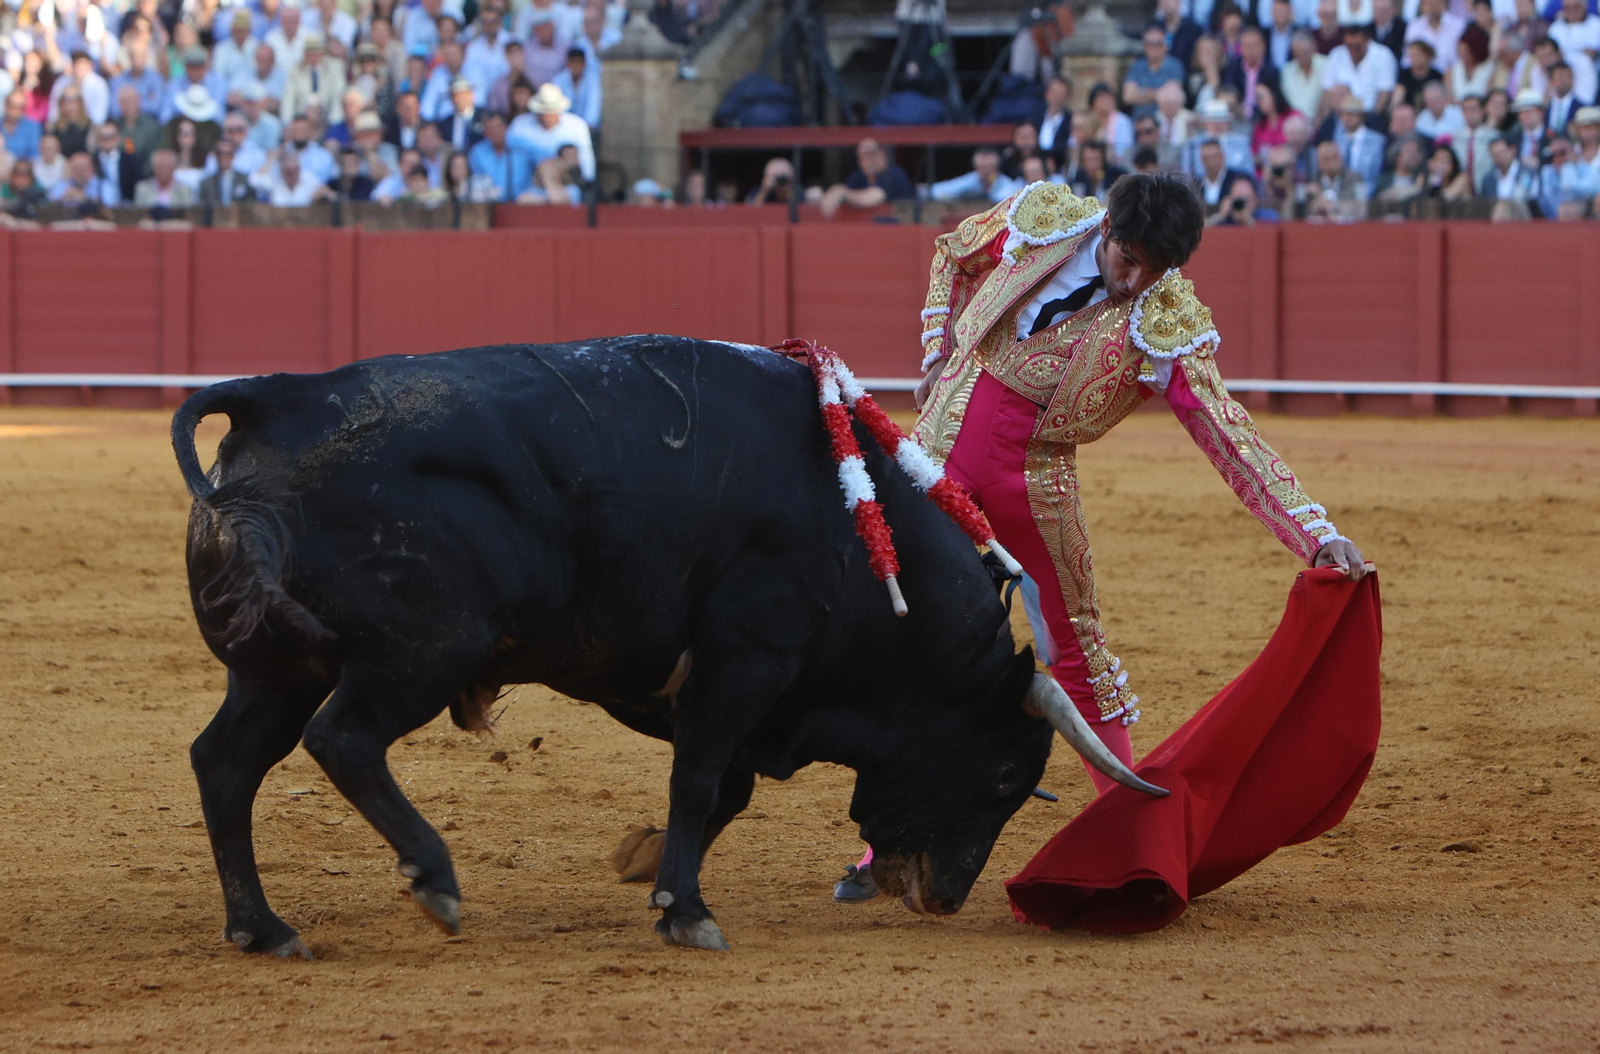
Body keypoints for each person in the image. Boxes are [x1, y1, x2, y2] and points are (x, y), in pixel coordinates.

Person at [837, 173, 1366, 903]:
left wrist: (1315, 533)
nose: (1137, 279)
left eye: (1158, 267)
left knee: (1077, 653)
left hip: (1035, 482)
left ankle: (1128, 844)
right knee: (905, 638)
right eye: (1130, 258)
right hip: (933, 462)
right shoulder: (1043, 217)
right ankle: (886, 847)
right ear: (1107, 227)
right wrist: (936, 350)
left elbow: (1228, 434)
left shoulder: (1165, 317)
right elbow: (952, 255)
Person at [508, 83, 595, 182]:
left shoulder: (577, 126)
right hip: (528, 182)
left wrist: (588, 182)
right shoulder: (519, 125)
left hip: (565, 183)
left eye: (550, 112)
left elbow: (586, 156)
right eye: (542, 112)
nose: (546, 116)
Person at [818, 138, 914, 218]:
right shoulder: (858, 177)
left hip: (901, 230)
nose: (866, 160)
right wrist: (833, 193)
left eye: (871, 154)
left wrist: (844, 193)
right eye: (862, 156)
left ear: (882, 155)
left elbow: (876, 196)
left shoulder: (894, 174)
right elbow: (844, 192)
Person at [1325, 22, 1398, 111]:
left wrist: (1373, 117)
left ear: (1367, 40)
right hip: (1342, 114)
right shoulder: (1336, 54)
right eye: (1349, 46)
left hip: (1371, 113)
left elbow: (1385, 92)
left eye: (1357, 46)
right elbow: (1327, 89)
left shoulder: (1383, 55)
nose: (1353, 50)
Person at [468, 110, 533, 200]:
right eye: (490, 129)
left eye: (498, 127)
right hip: (489, 205)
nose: (495, 132)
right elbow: (477, 181)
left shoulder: (523, 147)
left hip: (521, 204)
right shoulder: (477, 153)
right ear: (484, 132)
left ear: (505, 127)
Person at [1124, 26, 1187, 119]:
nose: (1153, 48)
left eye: (1158, 44)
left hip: (1164, 121)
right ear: (1144, 46)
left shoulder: (1175, 66)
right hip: (1139, 123)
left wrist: (1142, 92)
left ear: (1165, 46)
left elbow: (1172, 99)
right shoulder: (1137, 66)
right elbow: (1128, 97)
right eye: (1149, 44)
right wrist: (1159, 94)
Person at [1222, 26, 1283, 119]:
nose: (1251, 49)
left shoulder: (1272, 71)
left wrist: (1253, 111)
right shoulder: (1233, 68)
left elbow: (1275, 101)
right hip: (1237, 117)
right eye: (1247, 45)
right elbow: (1228, 90)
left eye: (1255, 45)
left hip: (1262, 119)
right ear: (1241, 48)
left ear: (1264, 47)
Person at [1331, 94, 1388, 188]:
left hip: (1367, 191)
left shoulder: (1377, 141)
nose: (1347, 118)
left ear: (1361, 116)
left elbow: (1378, 172)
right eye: (1343, 114)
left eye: (1352, 114)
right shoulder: (1336, 140)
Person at [930, 146, 1023, 202]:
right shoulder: (973, 178)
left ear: (996, 168)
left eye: (989, 168)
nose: (985, 172)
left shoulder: (1006, 184)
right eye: (981, 168)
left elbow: (1005, 199)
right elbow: (937, 190)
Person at [1303, 138, 1369, 215]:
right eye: (1326, 159)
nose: (1331, 162)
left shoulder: (1355, 177)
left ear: (1341, 159)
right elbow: (1307, 208)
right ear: (1319, 162)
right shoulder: (1313, 179)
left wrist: (1323, 197)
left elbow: (1359, 204)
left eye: (1334, 157)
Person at [550, 47, 601, 131]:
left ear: (584, 64)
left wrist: (586, 127)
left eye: (579, 62)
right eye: (573, 62)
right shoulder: (558, 80)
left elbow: (593, 106)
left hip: (588, 127)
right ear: (568, 63)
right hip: (564, 127)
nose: (576, 65)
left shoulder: (593, 79)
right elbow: (556, 107)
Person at [1280, 30, 1328, 117]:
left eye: (1306, 50)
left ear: (1314, 48)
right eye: (1298, 52)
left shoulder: (1326, 65)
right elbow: (1291, 104)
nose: (1302, 54)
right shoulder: (1286, 71)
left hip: (1323, 119)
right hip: (1297, 121)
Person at [1060, 139, 1127, 198]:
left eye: (1096, 159)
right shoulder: (1077, 178)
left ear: (1103, 160)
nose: (1092, 163)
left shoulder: (1116, 176)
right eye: (1088, 159)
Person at [1206, 171, 1281, 223]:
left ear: (1255, 199)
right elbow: (1202, 233)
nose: (1242, 205)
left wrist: (1249, 222)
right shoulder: (1226, 219)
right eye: (1238, 200)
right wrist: (1220, 216)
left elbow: (1271, 238)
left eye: (1246, 200)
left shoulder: (1268, 216)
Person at [198, 140, 257, 205]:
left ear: (233, 156)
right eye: (220, 153)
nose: (224, 157)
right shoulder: (206, 184)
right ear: (215, 156)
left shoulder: (245, 180)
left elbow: (251, 204)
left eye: (228, 154)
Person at [437, 79, 485, 153]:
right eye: (455, 95)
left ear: (471, 95)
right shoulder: (446, 124)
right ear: (451, 99)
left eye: (463, 94)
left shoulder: (483, 116)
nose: (460, 99)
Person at [4, 91, 43, 161]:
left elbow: (34, 154)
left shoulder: (33, 127)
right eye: (13, 106)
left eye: (21, 107)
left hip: (24, 169)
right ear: (6, 105)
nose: (16, 111)